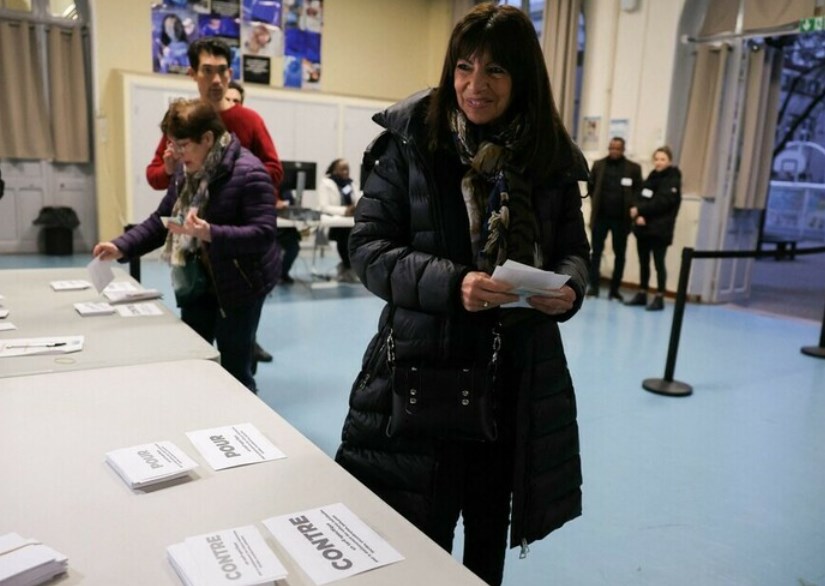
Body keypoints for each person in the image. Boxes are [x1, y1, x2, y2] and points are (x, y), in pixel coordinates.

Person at [334, 5, 590, 585]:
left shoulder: (549, 156)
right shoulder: (410, 141)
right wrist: (455, 284)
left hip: (514, 380)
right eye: (465, 67)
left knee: (487, 533)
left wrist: (569, 288)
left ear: (523, 76)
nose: (476, 86)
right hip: (427, 371)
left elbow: (575, 251)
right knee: (420, 531)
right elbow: (368, 250)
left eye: (496, 71)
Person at [94, 99, 279, 392]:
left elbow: (264, 233)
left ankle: (242, 421)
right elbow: (163, 220)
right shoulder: (185, 171)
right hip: (197, 281)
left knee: (235, 369)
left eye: (181, 145)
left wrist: (211, 233)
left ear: (207, 139)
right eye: (172, 145)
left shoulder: (250, 173)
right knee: (196, 357)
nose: (174, 154)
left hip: (239, 286)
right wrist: (121, 246)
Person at [146, 39, 281, 364]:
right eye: (208, 71)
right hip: (194, 259)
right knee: (197, 350)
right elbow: (156, 179)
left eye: (223, 72)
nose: (217, 80)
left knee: (237, 358)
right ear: (193, 74)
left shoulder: (248, 120)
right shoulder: (184, 121)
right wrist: (171, 168)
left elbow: (273, 171)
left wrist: (228, 183)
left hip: (236, 258)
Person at [625, 146, 682, 311]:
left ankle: (659, 296)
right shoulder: (651, 176)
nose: (659, 162)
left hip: (660, 230)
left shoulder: (673, 178)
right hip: (643, 228)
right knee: (643, 262)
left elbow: (663, 202)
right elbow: (640, 196)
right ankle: (642, 293)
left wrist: (642, 211)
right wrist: (638, 214)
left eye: (663, 159)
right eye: (656, 159)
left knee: (658, 263)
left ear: (669, 161)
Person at [586, 137, 642, 300]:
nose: (614, 151)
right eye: (611, 148)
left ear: (623, 150)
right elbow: (591, 186)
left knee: (620, 254)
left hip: (621, 220)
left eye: (617, 148)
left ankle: (614, 290)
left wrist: (634, 207)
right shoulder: (598, 165)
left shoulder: (633, 168)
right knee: (595, 252)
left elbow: (638, 190)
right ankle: (594, 286)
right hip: (600, 217)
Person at [317, 158, 358, 282]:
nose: (346, 172)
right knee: (346, 237)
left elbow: (358, 200)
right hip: (334, 222)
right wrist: (344, 211)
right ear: (334, 170)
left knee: (357, 237)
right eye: (342, 169)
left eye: (347, 169)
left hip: (351, 220)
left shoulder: (351, 183)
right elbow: (324, 206)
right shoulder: (326, 183)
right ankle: (347, 267)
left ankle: (349, 268)